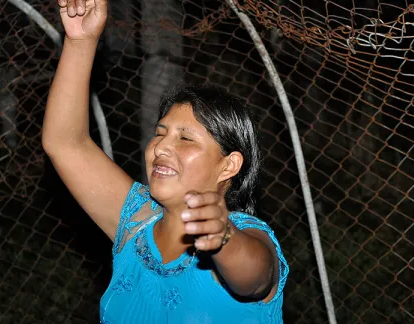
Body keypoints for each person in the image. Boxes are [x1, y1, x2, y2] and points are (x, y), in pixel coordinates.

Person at [43, 0, 289, 322]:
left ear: (228, 165)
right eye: (160, 133)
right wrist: (80, 40)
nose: (160, 147)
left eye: (185, 138)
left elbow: (254, 278)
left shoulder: (246, 235)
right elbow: (65, 143)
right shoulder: (134, 222)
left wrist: (223, 237)